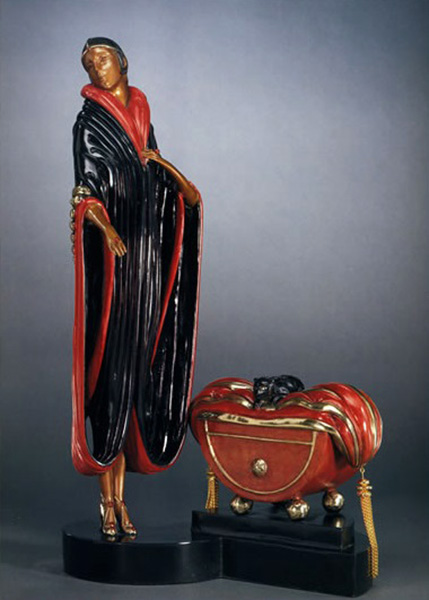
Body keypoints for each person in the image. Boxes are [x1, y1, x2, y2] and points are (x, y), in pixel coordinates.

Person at [70, 37, 202, 537]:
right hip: (114, 264)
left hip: (146, 260)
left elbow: (159, 174)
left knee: (136, 379)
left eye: (102, 59)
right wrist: (104, 228)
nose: (95, 68)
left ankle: (122, 502)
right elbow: (83, 190)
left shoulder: (142, 113)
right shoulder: (88, 122)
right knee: (111, 376)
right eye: (88, 63)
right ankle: (108, 504)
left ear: (122, 62)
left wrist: (172, 175)